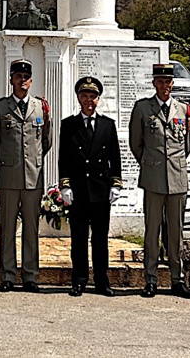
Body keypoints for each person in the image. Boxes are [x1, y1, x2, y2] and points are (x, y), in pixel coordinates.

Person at [129, 63, 190, 299]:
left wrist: (172, 163)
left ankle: (177, 279)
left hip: (177, 177)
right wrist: (151, 163)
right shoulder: (142, 108)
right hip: (154, 178)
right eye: (160, 82)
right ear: (154, 83)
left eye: (168, 82)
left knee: (176, 231)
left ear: (172, 84)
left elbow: (186, 144)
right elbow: (136, 144)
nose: (164, 86)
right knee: (152, 230)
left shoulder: (183, 109)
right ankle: (151, 279)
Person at [0, 58, 52, 292]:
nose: (22, 80)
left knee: (31, 227)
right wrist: (9, 161)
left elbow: (46, 141)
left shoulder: (41, 107)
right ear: (11, 79)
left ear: (31, 81)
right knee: (7, 227)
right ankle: (7, 275)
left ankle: (30, 275)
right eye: (18, 76)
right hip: (9, 176)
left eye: (26, 77)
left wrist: (31, 161)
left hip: (33, 177)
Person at [59, 76, 122, 297]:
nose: (89, 100)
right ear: (78, 98)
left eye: (93, 96)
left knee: (100, 238)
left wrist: (116, 184)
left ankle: (101, 280)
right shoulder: (69, 125)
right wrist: (65, 185)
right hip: (78, 190)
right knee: (78, 239)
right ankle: (79, 279)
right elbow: (63, 158)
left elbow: (115, 156)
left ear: (98, 99)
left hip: (100, 190)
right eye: (84, 96)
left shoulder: (108, 125)